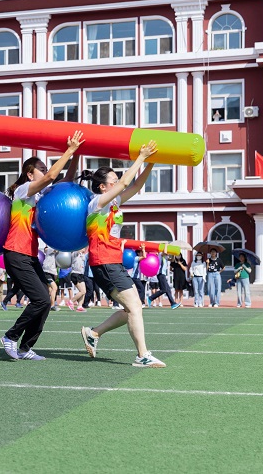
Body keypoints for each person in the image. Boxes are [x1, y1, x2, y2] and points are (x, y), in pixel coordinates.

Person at [80, 141, 167, 368]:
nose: (118, 182)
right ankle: (142, 355)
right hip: (104, 261)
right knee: (135, 307)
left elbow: (135, 185)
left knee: (132, 308)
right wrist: (141, 157)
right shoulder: (97, 203)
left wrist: (150, 163)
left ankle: (94, 333)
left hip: (112, 261)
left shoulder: (113, 202)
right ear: (103, 187)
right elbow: (127, 181)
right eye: (114, 181)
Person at [0, 133, 83, 360]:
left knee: (46, 300)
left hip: (29, 255)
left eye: (45, 169)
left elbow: (67, 179)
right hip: (15, 252)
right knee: (42, 299)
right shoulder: (23, 190)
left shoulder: (40, 195)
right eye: (41, 169)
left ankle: (25, 347)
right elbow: (52, 176)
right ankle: (10, 336)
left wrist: (76, 154)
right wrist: (69, 150)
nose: (46, 172)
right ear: (29, 174)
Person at [42, 246, 59, 311]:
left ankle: (49, 305)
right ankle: (52, 305)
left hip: (51, 272)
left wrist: (55, 274)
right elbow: (55, 249)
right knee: (55, 288)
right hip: (47, 272)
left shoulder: (54, 254)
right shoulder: (49, 250)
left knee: (50, 289)